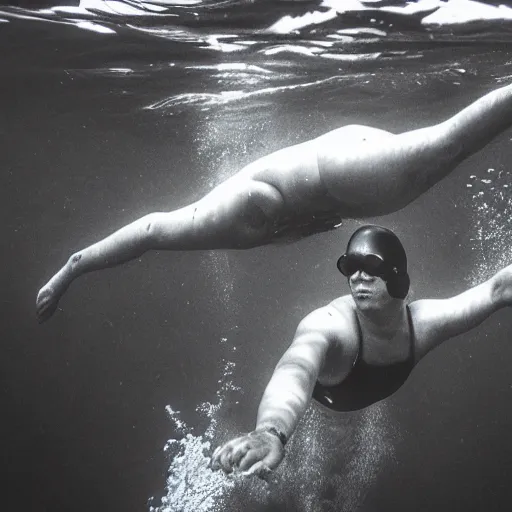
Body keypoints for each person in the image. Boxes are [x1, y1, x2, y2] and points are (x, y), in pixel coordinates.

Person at [37, 83, 512, 323]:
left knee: (449, 144)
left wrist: (70, 271)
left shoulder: (215, 218)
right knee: (447, 146)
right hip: (346, 166)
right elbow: (150, 235)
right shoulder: (225, 214)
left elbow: (147, 233)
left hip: (343, 171)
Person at [210, 224, 512, 476]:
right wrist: (270, 432)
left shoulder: (423, 325)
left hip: (352, 418)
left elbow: (498, 289)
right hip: (306, 421)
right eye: (350, 266)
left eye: (370, 266)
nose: (357, 276)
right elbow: (295, 369)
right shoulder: (331, 325)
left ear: (397, 277)